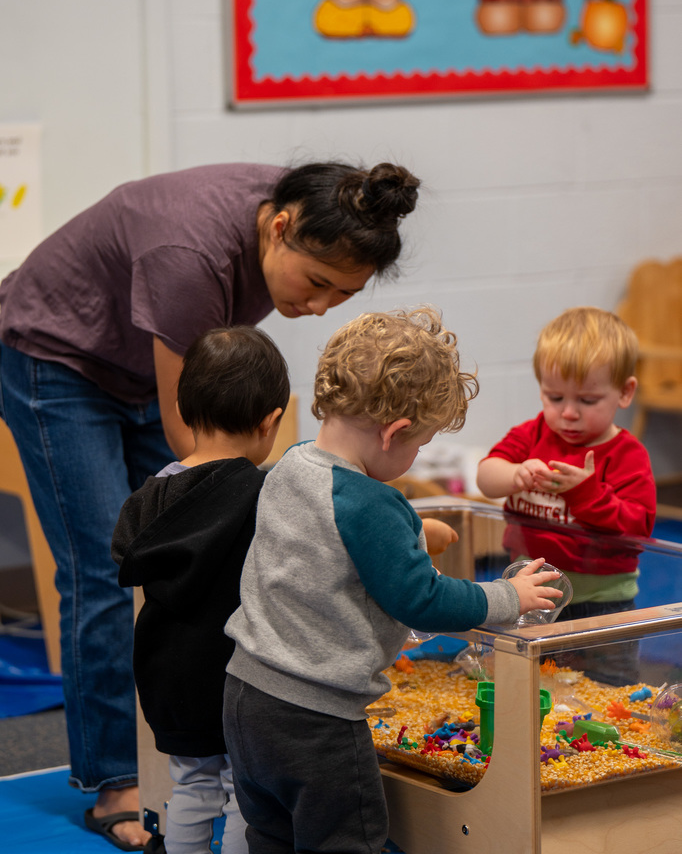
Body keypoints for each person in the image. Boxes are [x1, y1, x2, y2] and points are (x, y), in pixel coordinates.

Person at [0, 159, 419, 851]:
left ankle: (205, 749)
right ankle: (113, 776)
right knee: (105, 568)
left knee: (208, 549)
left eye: (341, 296)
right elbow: (194, 437)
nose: (318, 309)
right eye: (316, 285)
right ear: (279, 228)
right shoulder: (190, 255)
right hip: (58, 354)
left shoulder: (317, 203)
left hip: (141, 359)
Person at [223, 307, 563, 854]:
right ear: (395, 432)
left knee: (273, 835)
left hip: (246, 696)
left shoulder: (290, 465)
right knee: (346, 840)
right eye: (420, 444)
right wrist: (506, 597)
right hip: (318, 719)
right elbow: (421, 599)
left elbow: (326, 547)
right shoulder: (372, 503)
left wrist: (411, 531)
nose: (415, 456)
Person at [111, 325, 290, 854]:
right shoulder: (265, 494)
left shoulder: (146, 499)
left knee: (190, 784)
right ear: (270, 422)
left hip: (167, 675)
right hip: (240, 675)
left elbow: (124, 552)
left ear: (184, 413)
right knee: (244, 791)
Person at [476, 306, 657, 683]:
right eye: (554, 397)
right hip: (532, 595)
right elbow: (486, 478)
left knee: (607, 691)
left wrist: (586, 493)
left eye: (588, 401)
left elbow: (637, 527)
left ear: (625, 393)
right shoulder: (532, 435)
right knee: (529, 685)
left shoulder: (627, 455)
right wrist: (516, 474)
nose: (569, 413)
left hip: (604, 603)